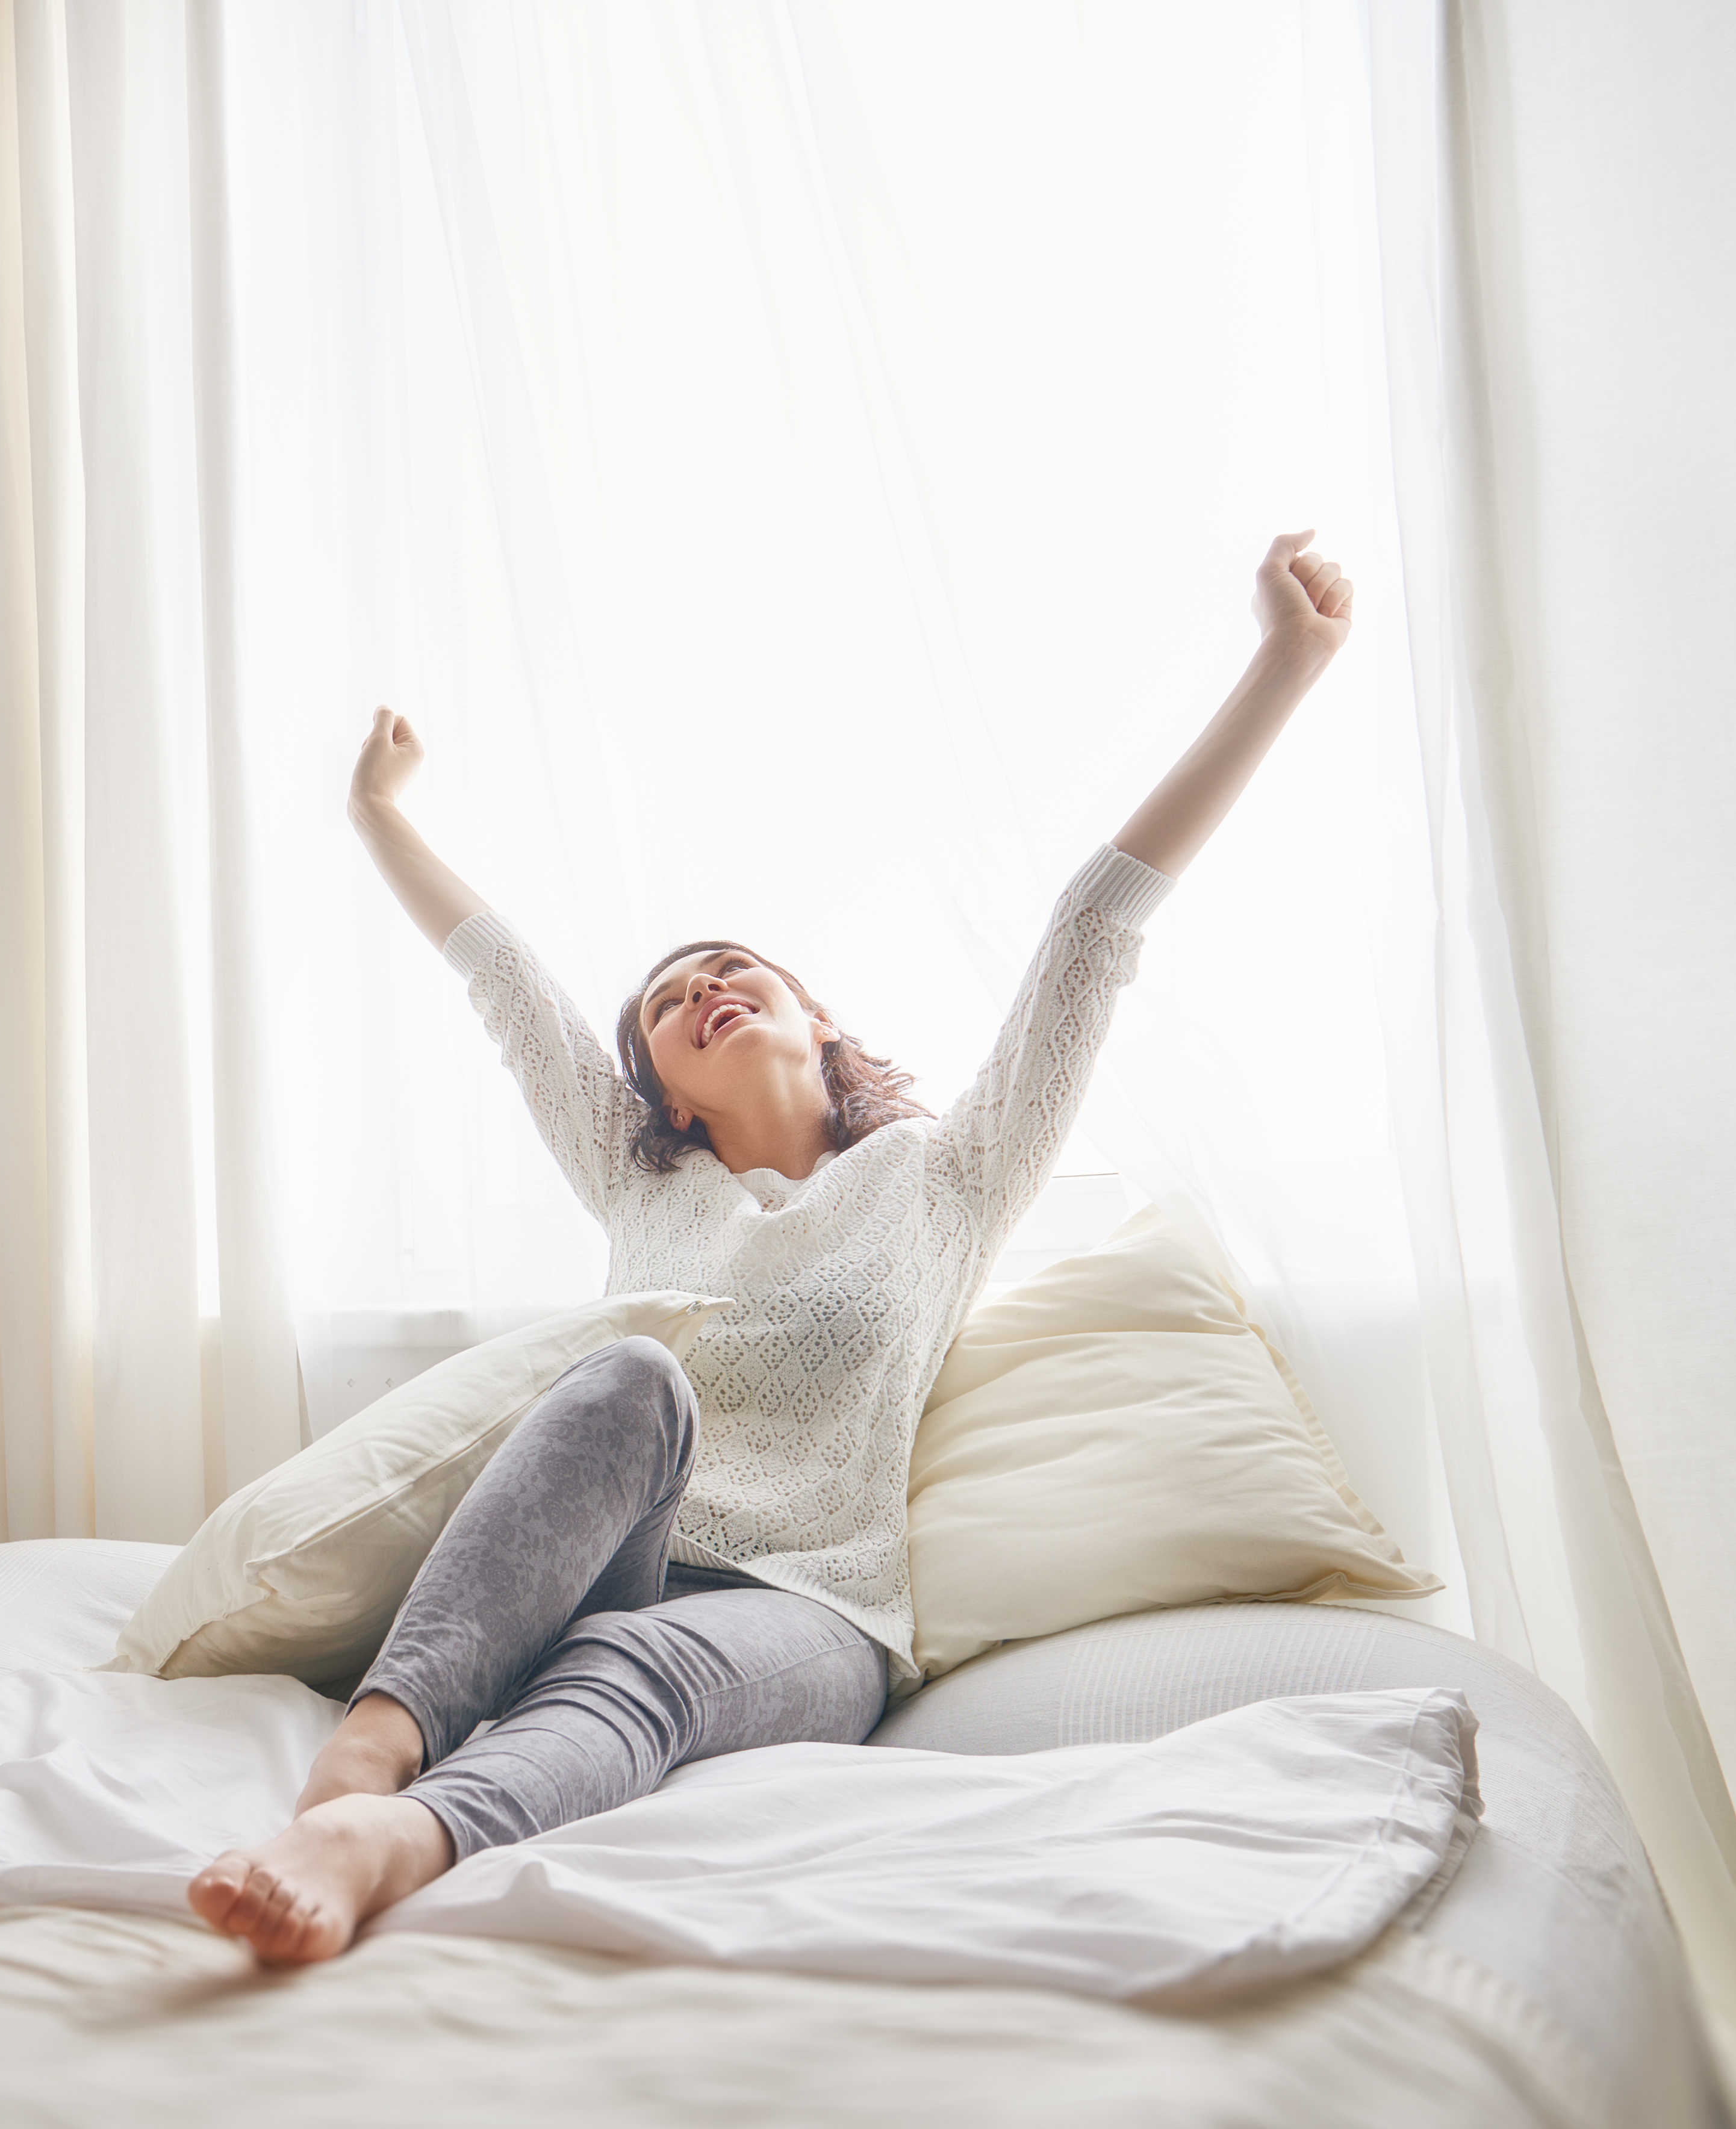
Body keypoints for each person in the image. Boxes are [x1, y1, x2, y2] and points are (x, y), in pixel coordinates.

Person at [188, 531, 1359, 1966]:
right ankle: (358, 1764)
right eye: (673, 997)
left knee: (636, 1666)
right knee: (629, 1380)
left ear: (814, 1015)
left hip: (807, 1614)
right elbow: (507, 985)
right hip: (601, 1566)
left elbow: (1092, 929)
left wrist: (1283, 666)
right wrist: (378, 814)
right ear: (664, 1090)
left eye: (739, 968)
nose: (709, 984)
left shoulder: (945, 1177)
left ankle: (388, 1838)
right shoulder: (641, 1182)